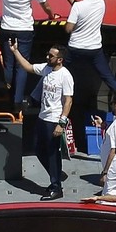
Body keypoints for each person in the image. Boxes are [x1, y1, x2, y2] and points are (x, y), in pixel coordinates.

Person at [8, 41, 73, 201]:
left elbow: (68, 101)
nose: (47, 57)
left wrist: (61, 123)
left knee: (52, 153)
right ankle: (55, 174)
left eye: (51, 56)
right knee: (37, 149)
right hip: (42, 118)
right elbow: (29, 67)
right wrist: (15, 52)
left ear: (60, 59)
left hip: (54, 119)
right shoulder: (46, 69)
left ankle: (56, 186)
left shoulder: (65, 75)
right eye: (48, 54)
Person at [62, 0, 116, 93]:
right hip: (94, 49)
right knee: (108, 77)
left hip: (75, 48)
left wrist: (71, 22)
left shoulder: (78, 7)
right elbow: (82, 8)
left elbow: (68, 29)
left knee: (57, 71)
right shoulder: (101, 3)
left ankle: (34, 98)